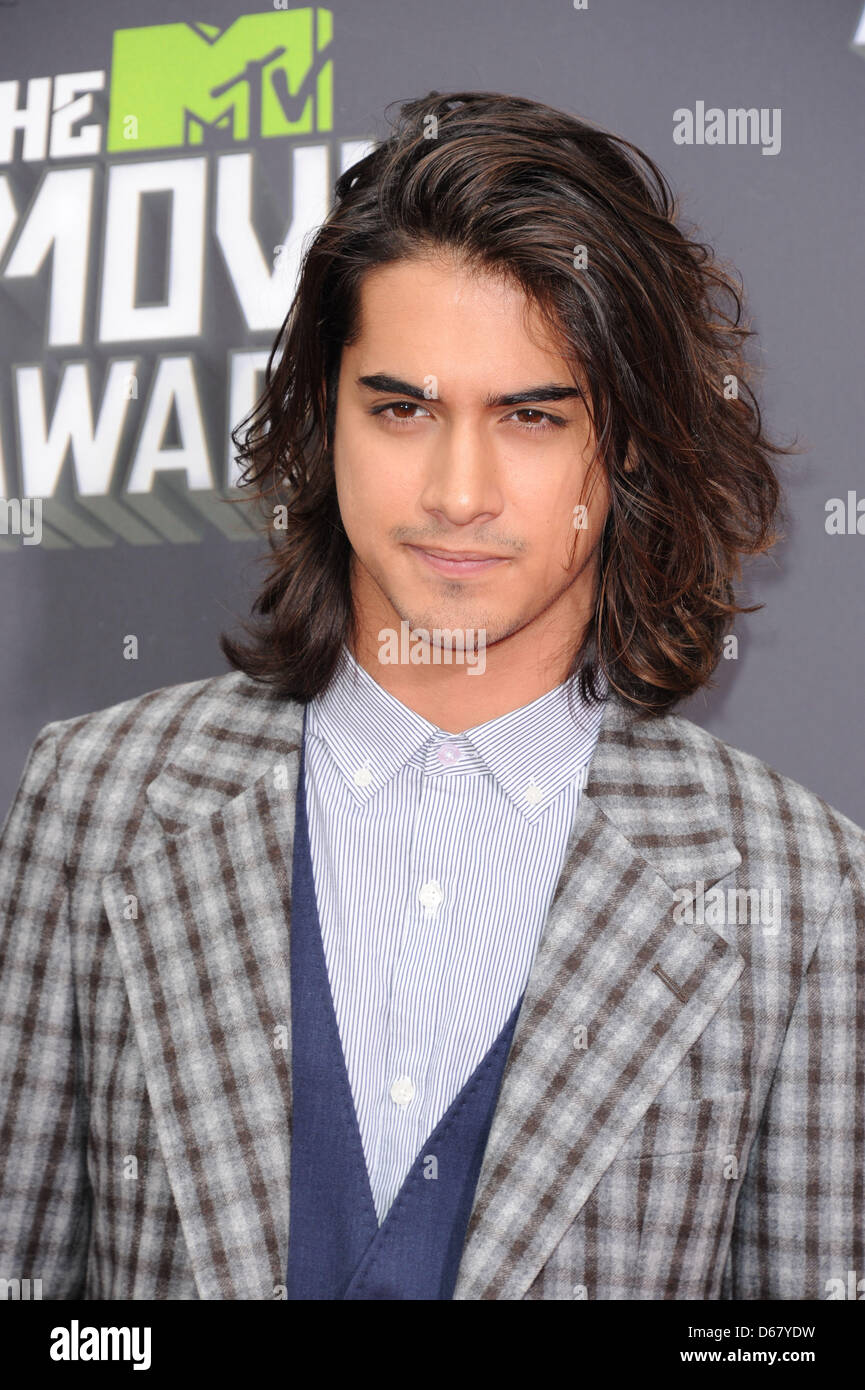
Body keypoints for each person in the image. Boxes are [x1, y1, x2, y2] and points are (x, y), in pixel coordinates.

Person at [0, 91, 862, 1301]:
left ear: (625, 451)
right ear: (321, 422)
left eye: (528, 416)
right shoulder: (94, 802)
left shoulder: (799, 890)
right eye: (401, 409)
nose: (458, 491)